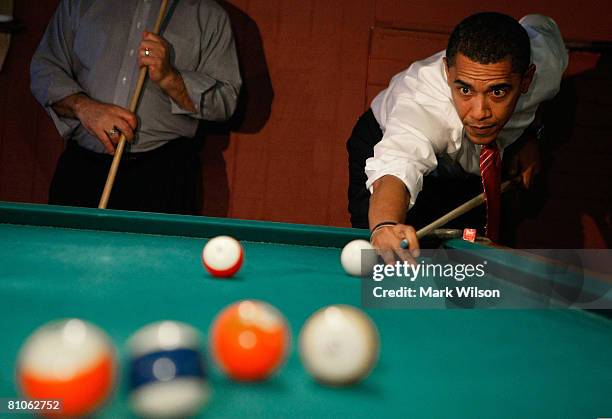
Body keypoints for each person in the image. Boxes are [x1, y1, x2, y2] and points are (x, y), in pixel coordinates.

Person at [346, 13, 568, 260]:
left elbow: (541, 22)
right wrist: (384, 225)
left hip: (473, 161)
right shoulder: (424, 106)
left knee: (473, 257)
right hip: (384, 141)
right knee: (391, 255)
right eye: (465, 89)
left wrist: (530, 134)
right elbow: (397, 167)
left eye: (497, 92)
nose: (479, 112)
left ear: (527, 79)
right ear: (447, 73)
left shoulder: (548, 63)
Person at [31, 0, 242, 214]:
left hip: (162, 175)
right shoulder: (78, 4)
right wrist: (83, 107)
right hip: (83, 169)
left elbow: (226, 102)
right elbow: (44, 70)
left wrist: (170, 78)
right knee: (66, 247)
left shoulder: (207, 14)